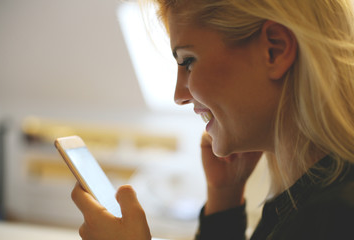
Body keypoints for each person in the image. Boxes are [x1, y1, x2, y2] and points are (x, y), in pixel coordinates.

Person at [71, 0, 354, 239]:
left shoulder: (334, 215)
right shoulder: (309, 202)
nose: (179, 95)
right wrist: (224, 200)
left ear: (275, 50)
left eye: (189, 61)